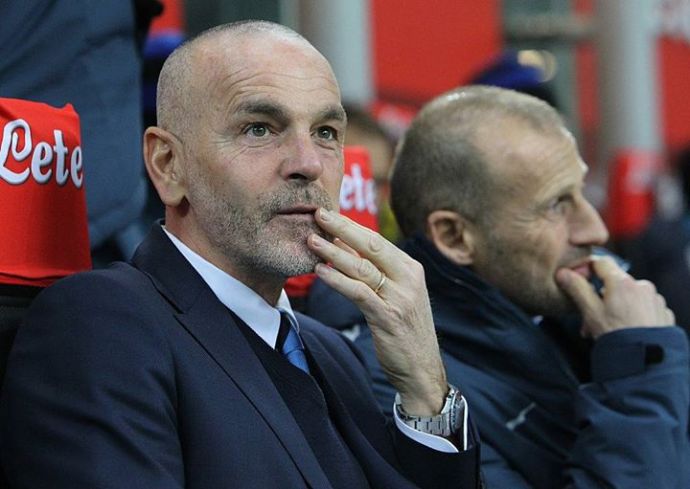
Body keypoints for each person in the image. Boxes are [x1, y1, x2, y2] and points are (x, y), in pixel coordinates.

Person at [0, 21, 481, 488]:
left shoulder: (333, 352)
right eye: (259, 129)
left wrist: (426, 392)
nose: (308, 164)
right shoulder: (101, 322)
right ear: (169, 165)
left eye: (326, 132)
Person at [353, 85, 690, 488]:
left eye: (582, 193)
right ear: (455, 236)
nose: (595, 229)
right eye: (556, 205)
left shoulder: (582, 321)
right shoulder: (402, 387)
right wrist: (638, 371)